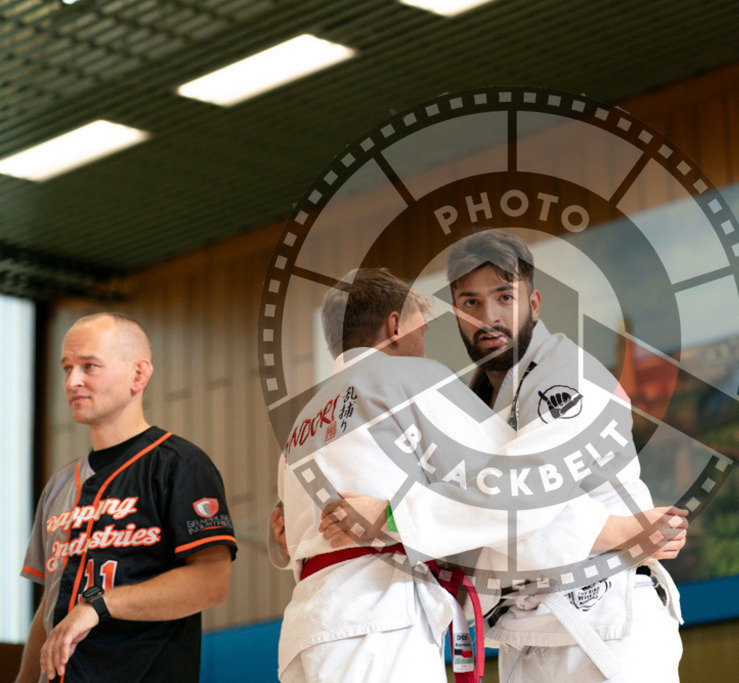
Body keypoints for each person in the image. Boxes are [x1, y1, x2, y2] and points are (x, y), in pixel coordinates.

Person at [274, 268, 685, 683]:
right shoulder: (411, 380)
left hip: (303, 628)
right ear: (395, 325)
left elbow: (291, 535)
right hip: (377, 619)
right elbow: (512, 492)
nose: (422, 343)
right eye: (421, 329)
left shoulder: (300, 428)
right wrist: (618, 530)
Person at [445, 230, 685, 682]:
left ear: (534, 304)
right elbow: (466, 522)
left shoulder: (567, 376)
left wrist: (615, 531)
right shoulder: (476, 405)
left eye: (503, 296)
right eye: (471, 303)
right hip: (530, 634)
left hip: (605, 625)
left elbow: (518, 498)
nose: (488, 317)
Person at [16, 313, 236, 683]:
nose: (73, 381)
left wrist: (98, 607)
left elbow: (212, 582)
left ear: (139, 375)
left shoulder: (181, 465)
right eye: (66, 367)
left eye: (90, 366)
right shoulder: (58, 485)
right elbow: (49, 607)